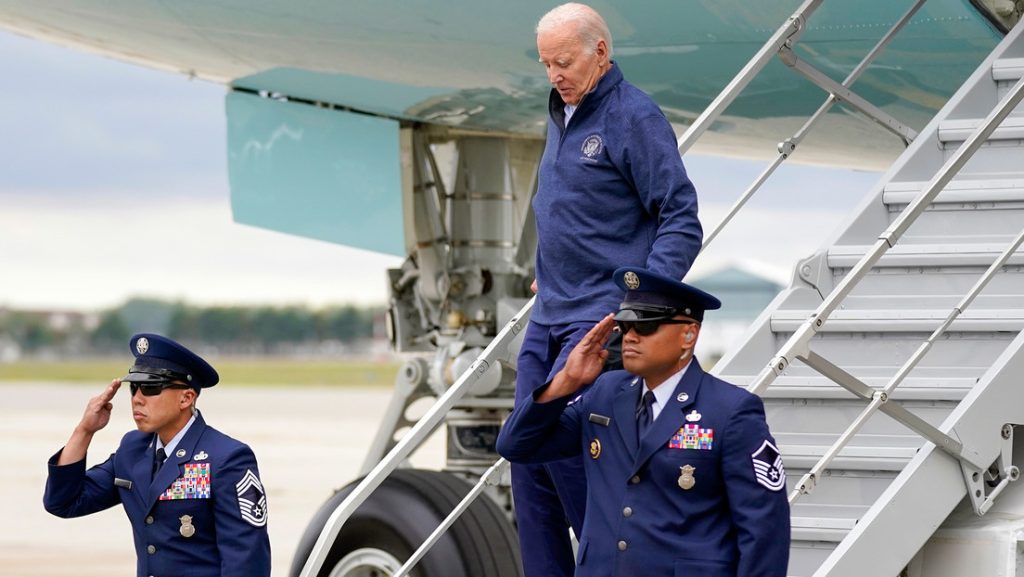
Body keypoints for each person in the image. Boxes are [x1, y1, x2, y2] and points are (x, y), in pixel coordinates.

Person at [515, 3, 703, 576]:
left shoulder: (632, 116)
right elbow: (578, 215)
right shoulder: (561, 112)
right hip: (548, 317)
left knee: (584, 478)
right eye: (547, 64)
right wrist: (551, 269)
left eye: (564, 61)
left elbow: (681, 217)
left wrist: (641, 305)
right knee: (528, 463)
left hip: (598, 326)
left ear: (600, 51)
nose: (555, 75)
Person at [499, 268, 790, 577]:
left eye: (646, 325)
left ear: (688, 334)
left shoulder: (730, 411)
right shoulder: (604, 394)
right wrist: (565, 382)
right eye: (625, 326)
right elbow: (516, 446)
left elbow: (764, 530)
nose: (631, 337)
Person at [44, 333, 271, 577]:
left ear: (186, 397)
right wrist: (85, 430)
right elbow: (64, 501)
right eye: (134, 388)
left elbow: (246, 563)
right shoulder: (133, 449)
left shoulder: (226, 459)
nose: (137, 399)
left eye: (151, 387)